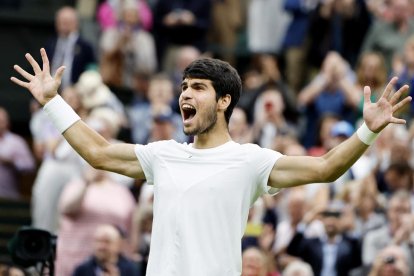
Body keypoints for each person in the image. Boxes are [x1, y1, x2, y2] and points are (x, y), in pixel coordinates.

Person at [10, 48, 411, 276]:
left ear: (224, 102)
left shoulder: (250, 161)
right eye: (184, 87)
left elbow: (326, 168)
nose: (186, 94)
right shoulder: (162, 154)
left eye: (198, 88)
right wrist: (52, 102)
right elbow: (97, 151)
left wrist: (368, 130)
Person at [45, 6, 96, 90]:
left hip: (75, 94)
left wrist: (78, 90)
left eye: (67, 21)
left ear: (76, 23)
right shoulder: (50, 44)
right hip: (51, 92)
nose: (63, 25)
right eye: (60, 21)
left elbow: (91, 73)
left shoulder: (85, 46)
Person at [72, 223, 140, 276]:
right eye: (98, 241)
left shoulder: (131, 270)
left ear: (119, 245)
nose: (101, 246)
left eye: (107, 242)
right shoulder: (82, 269)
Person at [0, 107, 35, 199]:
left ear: (7, 122)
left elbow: (30, 166)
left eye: (2, 121)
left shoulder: (17, 142)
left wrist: (12, 162)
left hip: (8, 197)